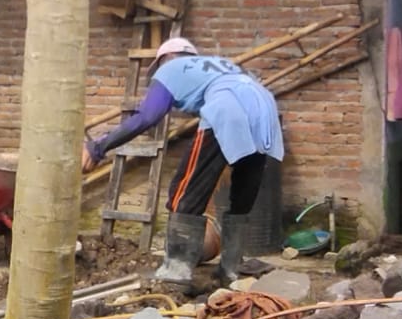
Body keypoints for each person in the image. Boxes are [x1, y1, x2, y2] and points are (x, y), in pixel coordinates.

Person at [84, 38, 283, 289]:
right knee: (243, 190)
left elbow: (148, 116)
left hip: (227, 108)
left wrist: (98, 148)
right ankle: (231, 269)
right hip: (267, 108)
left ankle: (176, 270)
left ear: (164, 60)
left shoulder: (171, 68)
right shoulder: (221, 65)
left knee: (184, 190)